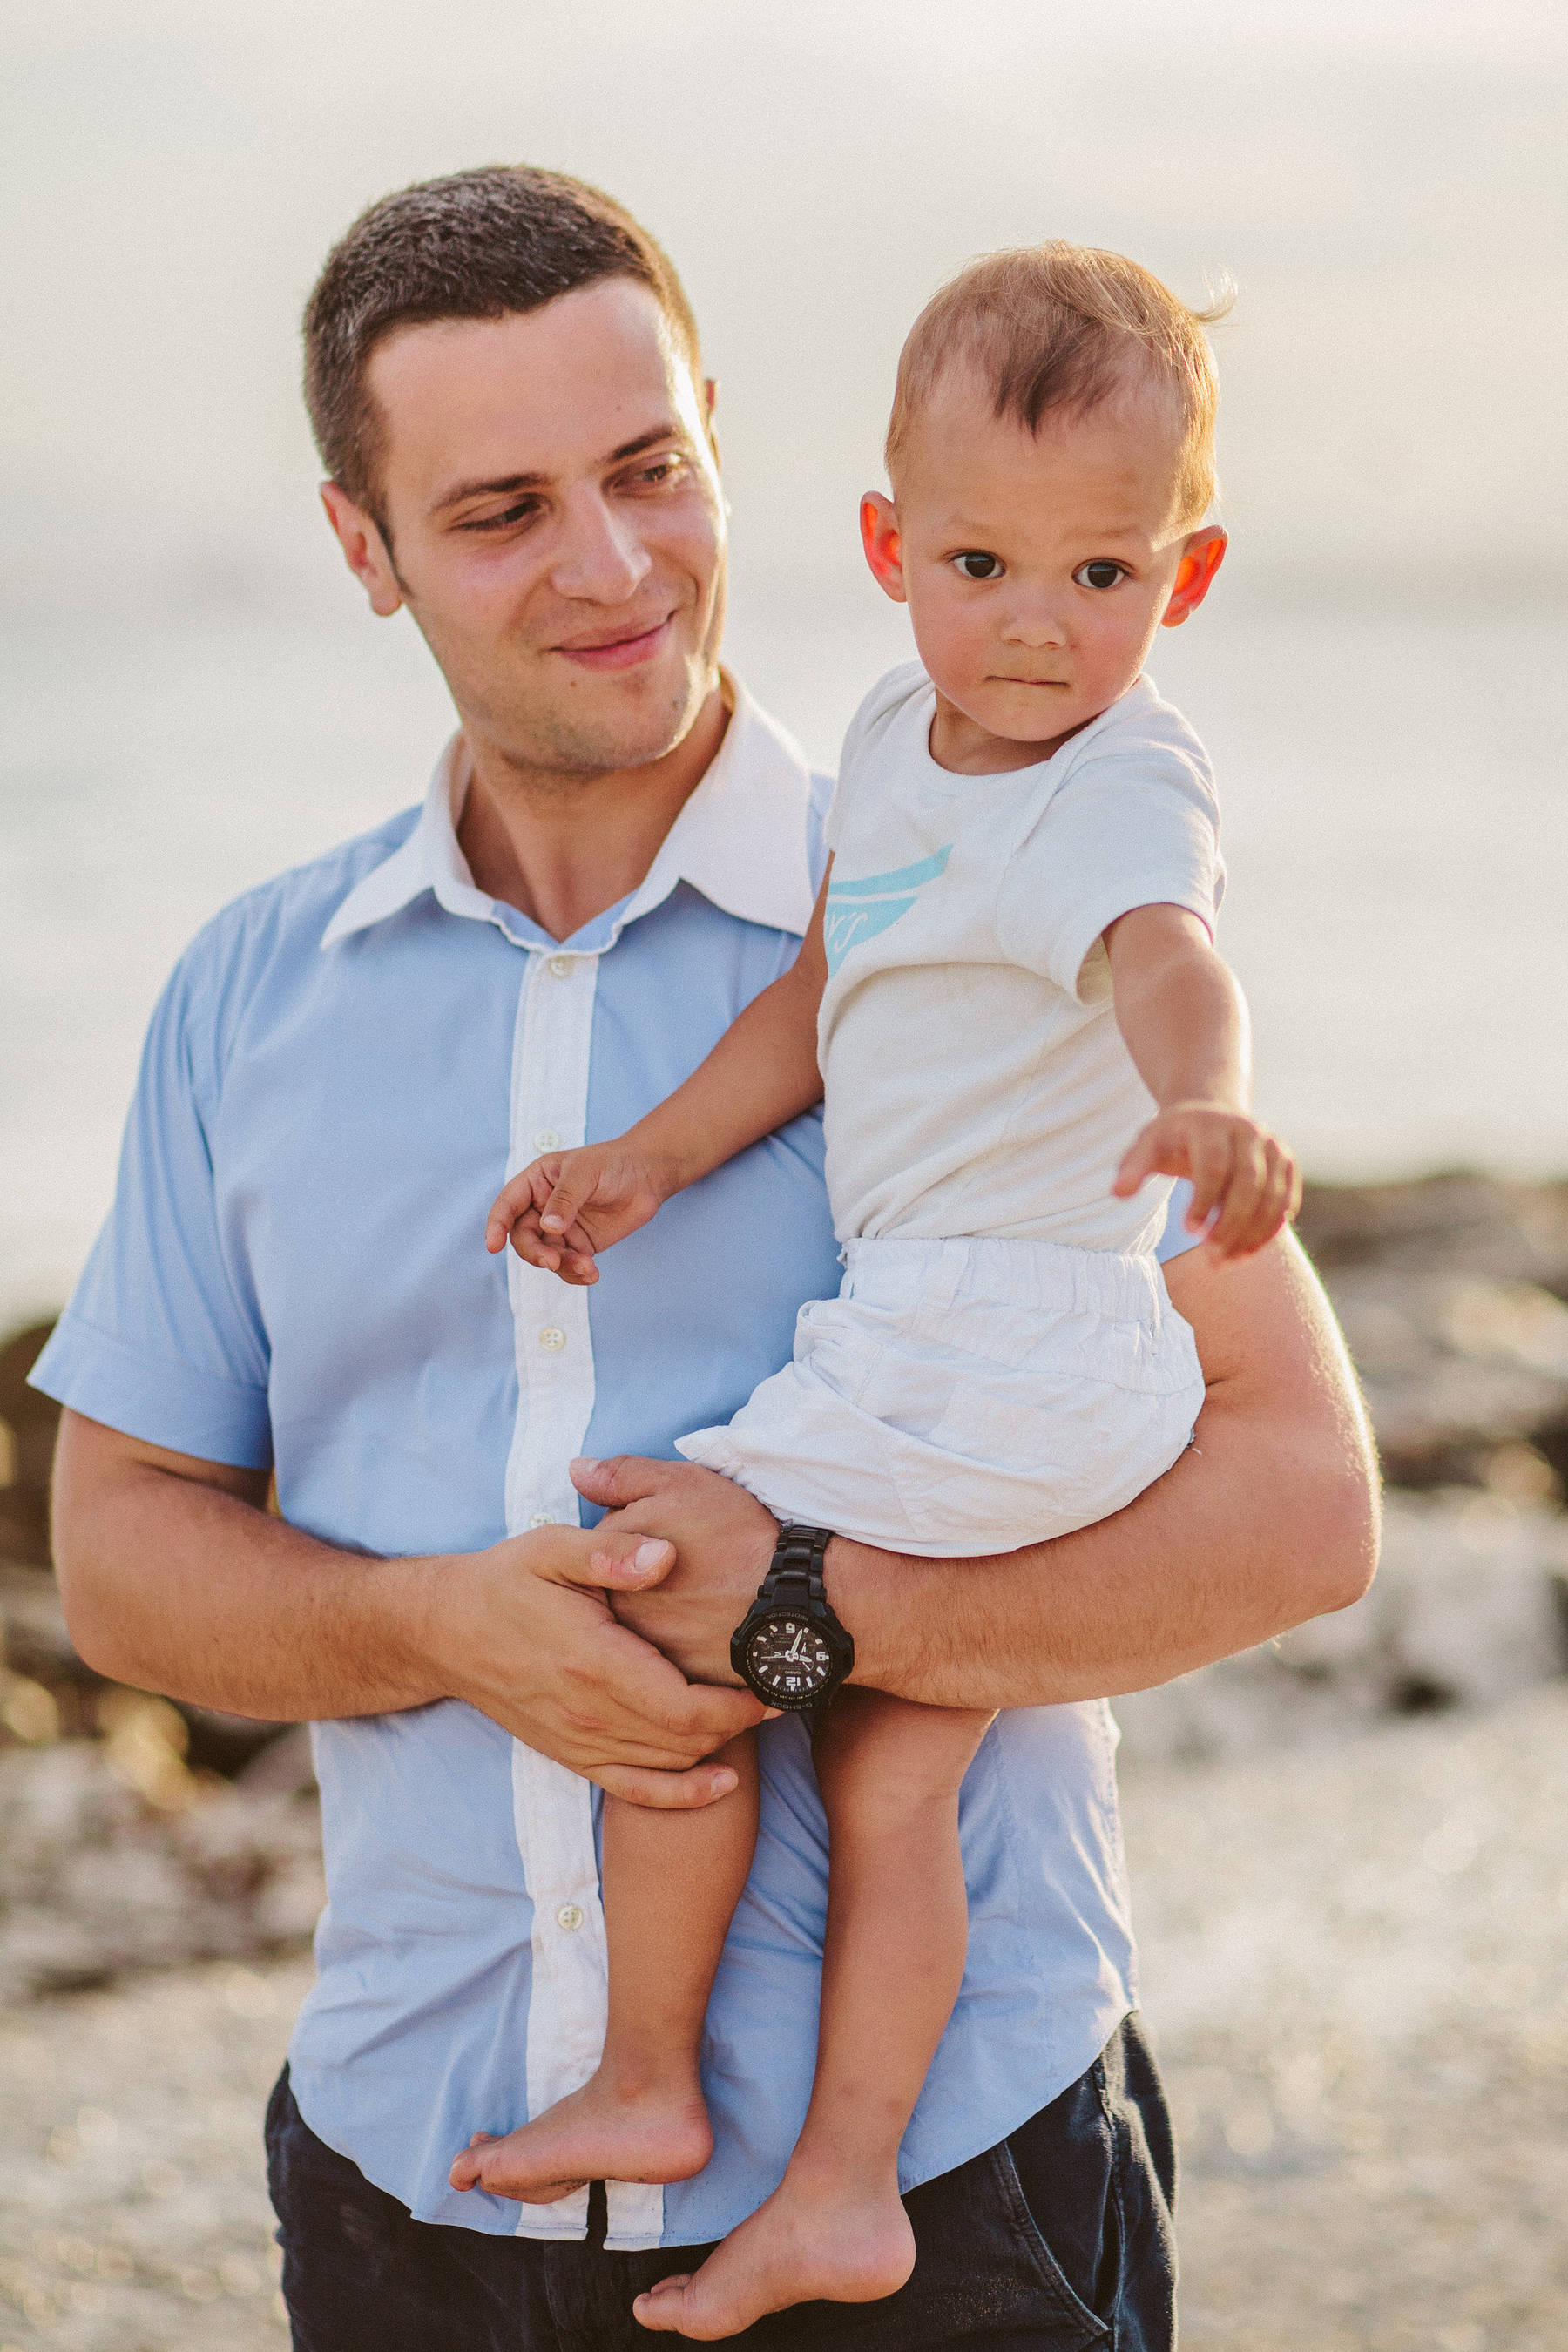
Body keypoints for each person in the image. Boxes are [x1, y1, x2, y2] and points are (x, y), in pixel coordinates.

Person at [32, 166, 1377, 2352]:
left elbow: (1309, 1511)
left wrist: (805, 1615)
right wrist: (444, 1631)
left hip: (956, 2198)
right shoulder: (247, 999)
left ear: (729, 450)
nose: (614, 563)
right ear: (361, 551)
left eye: (652, 470)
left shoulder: (987, 888)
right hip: (417, 2174)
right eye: (499, 512)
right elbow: (119, 1566)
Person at [460, 244, 1299, 2340]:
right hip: (946, 1327)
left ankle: (652, 2082)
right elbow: (836, 996)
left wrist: (1207, 1104)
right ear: (885, 548)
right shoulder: (893, 746)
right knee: (895, 1774)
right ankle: (842, 2187)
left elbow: (1165, 955)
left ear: (1180, 581)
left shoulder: (1124, 781)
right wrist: (650, 1155)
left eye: (1103, 577)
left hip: (1020, 1323)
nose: (1038, 623)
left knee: (654, 1595)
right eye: (985, 563)